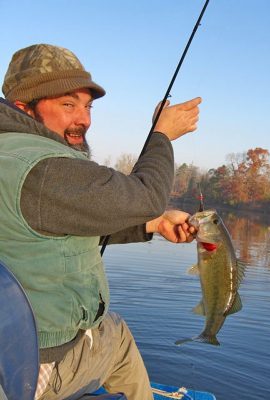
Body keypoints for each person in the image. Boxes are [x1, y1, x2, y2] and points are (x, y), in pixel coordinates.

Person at [0, 44, 201, 400]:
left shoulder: (10, 154)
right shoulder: (44, 167)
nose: (84, 119)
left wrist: (151, 224)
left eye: (87, 105)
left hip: (11, 345)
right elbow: (147, 196)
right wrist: (162, 135)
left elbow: (53, 227)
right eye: (67, 104)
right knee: (117, 336)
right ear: (24, 108)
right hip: (33, 365)